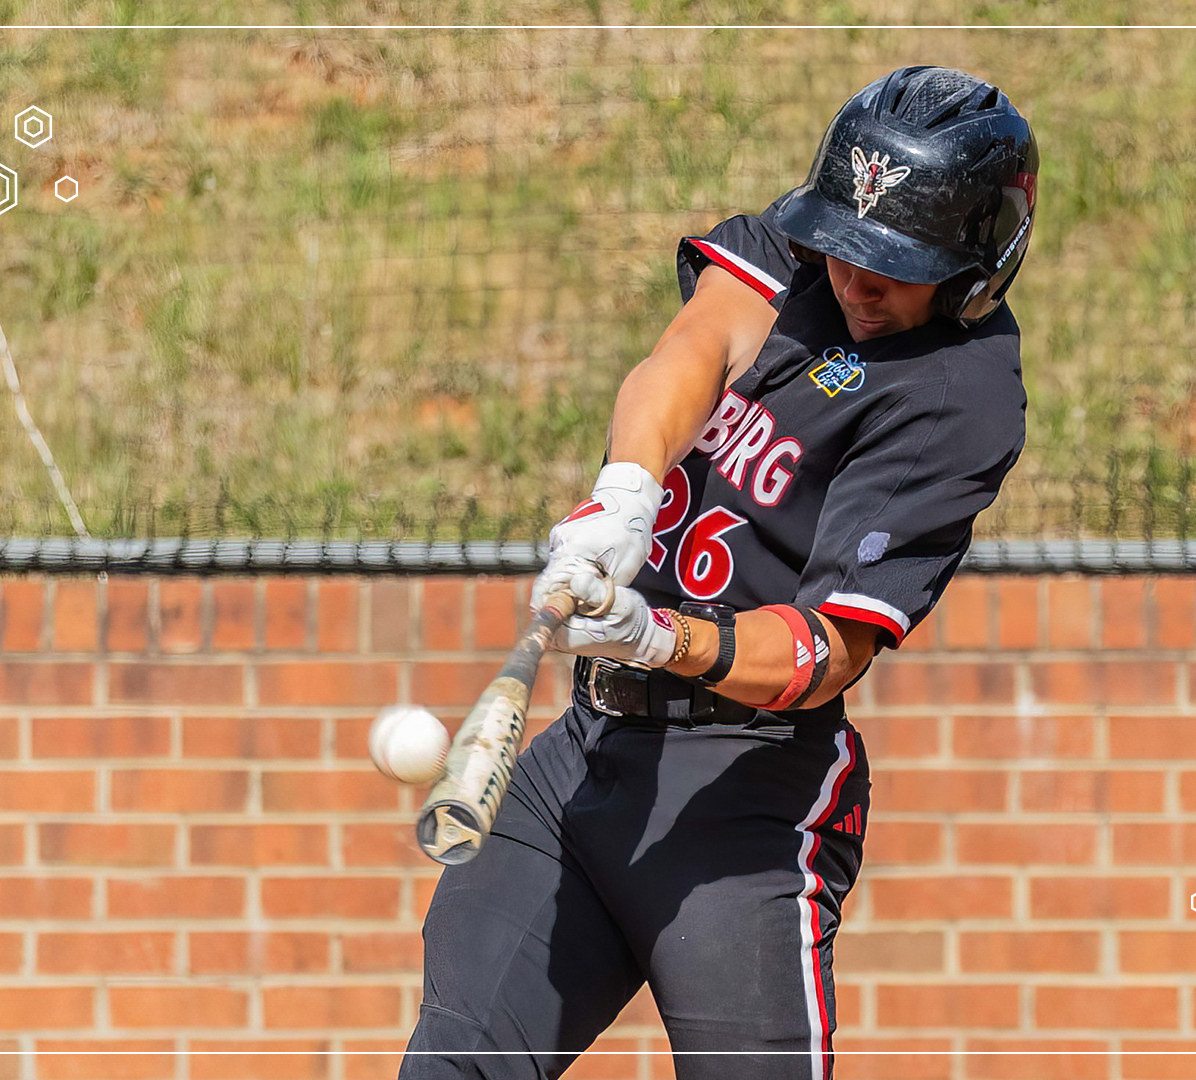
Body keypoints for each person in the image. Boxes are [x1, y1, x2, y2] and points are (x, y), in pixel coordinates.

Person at [401, 65, 1036, 1080]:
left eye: (893, 264)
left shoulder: (961, 396)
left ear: (977, 261)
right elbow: (694, 347)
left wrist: (662, 639)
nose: (854, 281)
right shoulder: (802, 245)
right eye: (842, 250)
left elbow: (828, 650)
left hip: (747, 791)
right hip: (585, 758)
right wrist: (624, 489)